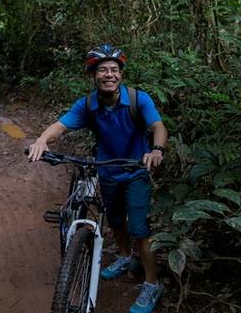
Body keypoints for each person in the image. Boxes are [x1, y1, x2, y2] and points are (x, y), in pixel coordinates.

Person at [28, 44, 168, 313]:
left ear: (121, 75)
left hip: (136, 170)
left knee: (139, 228)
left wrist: (157, 149)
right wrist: (42, 140)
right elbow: (61, 125)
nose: (109, 74)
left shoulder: (139, 99)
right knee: (115, 221)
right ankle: (126, 257)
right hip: (107, 171)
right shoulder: (88, 105)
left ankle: (152, 283)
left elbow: (158, 127)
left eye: (114, 70)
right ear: (93, 76)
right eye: (102, 70)